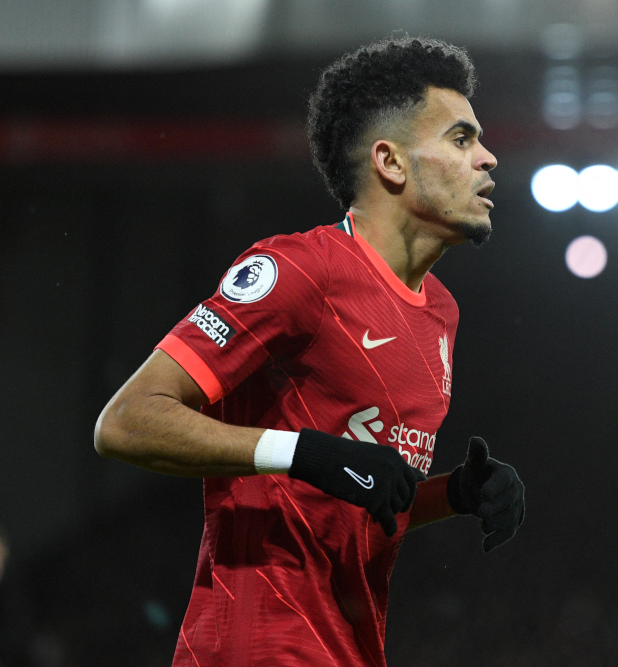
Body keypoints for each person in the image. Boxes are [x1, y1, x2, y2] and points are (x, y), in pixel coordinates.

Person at [94, 36, 525, 667]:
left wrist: (452, 494)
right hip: (254, 645)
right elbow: (126, 422)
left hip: (346, 648)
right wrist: (302, 451)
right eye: (462, 139)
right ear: (392, 162)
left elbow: (347, 493)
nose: (488, 158)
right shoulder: (300, 271)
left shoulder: (440, 314)